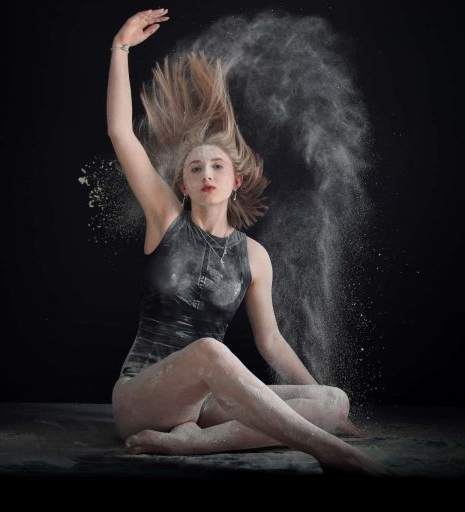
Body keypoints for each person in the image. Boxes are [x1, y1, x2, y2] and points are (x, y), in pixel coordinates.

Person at [106, 8, 393, 478]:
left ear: (236, 180)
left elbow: (272, 343)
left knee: (333, 400)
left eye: (216, 166)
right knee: (210, 350)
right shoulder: (165, 219)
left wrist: (322, 401)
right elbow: (121, 133)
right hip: (144, 394)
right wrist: (120, 48)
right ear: (182, 185)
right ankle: (330, 452)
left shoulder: (253, 256)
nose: (206, 174)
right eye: (194, 168)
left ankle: (191, 446)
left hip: (209, 406)